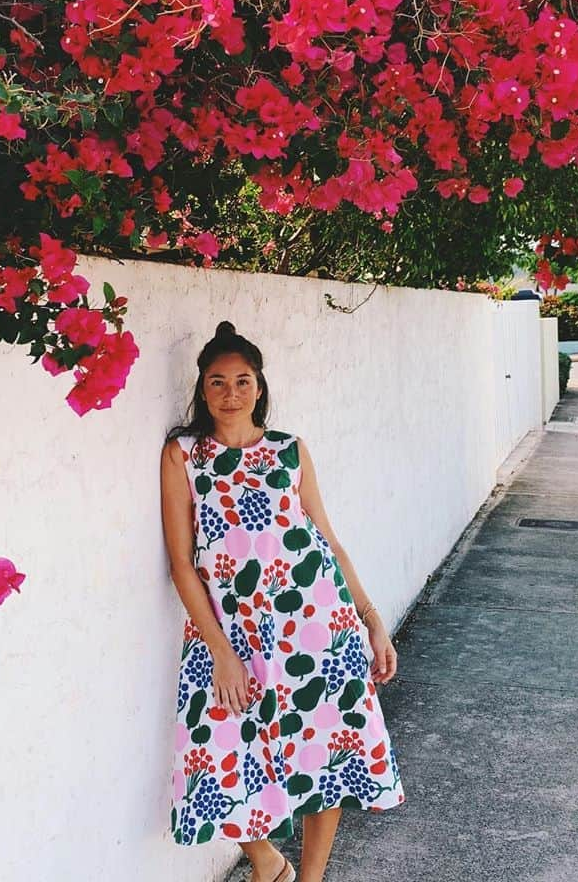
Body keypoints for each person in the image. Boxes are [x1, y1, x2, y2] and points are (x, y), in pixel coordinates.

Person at [161, 322, 405, 882]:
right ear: (201, 390)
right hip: (229, 629)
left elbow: (327, 539)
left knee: (329, 751)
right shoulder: (184, 455)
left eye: (242, 380)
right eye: (217, 382)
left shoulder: (290, 450)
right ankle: (268, 863)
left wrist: (371, 621)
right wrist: (220, 650)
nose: (230, 393)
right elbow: (180, 561)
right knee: (213, 749)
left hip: (318, 622)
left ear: (260, 386)